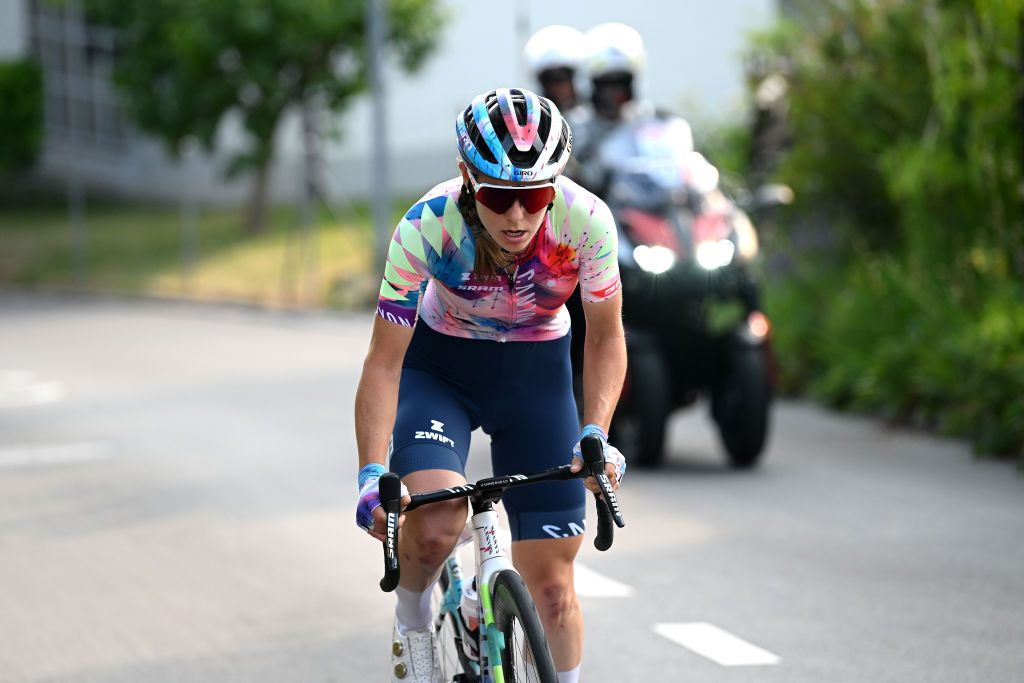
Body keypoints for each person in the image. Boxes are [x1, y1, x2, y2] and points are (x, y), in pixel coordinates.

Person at [354, 87, 628, 683]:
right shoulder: (427, 224)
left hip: (537, 372)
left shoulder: (587, 222)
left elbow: (605, 337)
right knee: (436, 522)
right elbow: (383, 362)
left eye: (534, 196)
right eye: (501, 197)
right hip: (442, 371)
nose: (518, 216)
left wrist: (597, 433)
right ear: (466, 178)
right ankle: (412, 616)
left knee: (553, 588)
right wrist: (372, 473)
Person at [523, 24, 587, 113]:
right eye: (550, 79)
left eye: (564, 78)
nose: (559, 88)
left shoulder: (595, 121)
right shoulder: (534, 122)